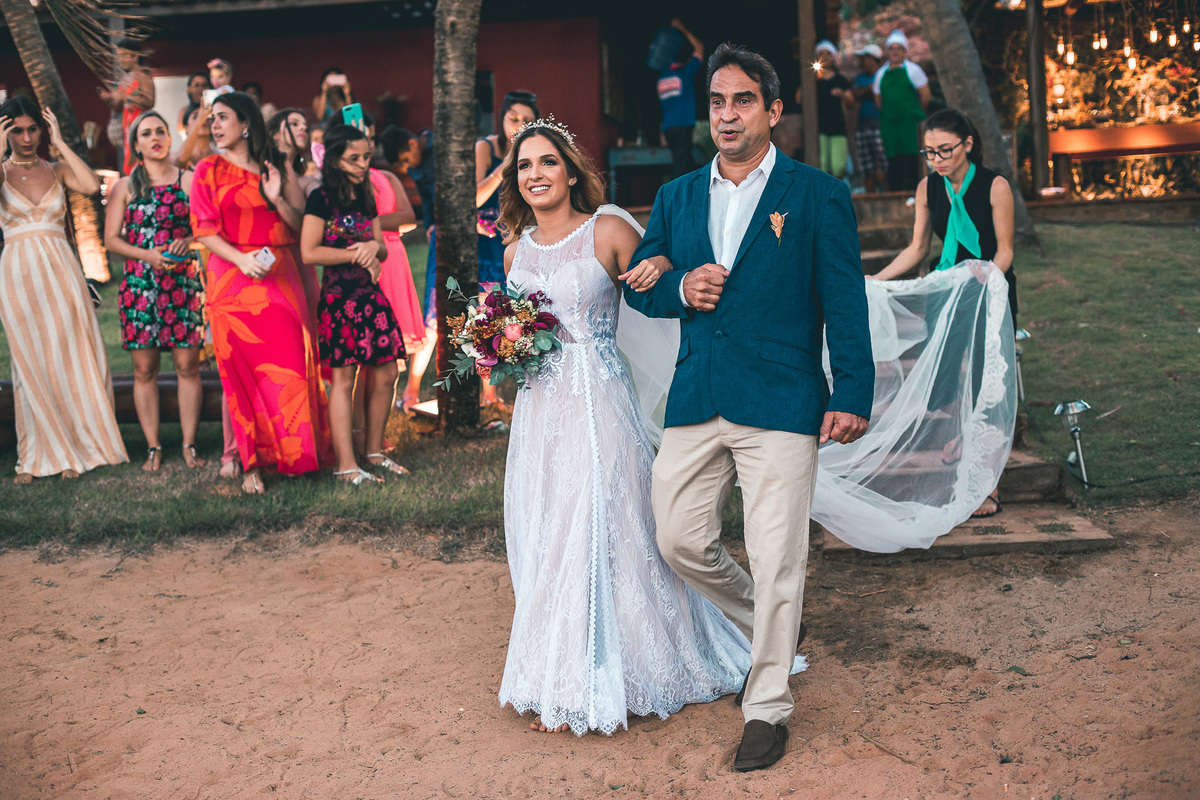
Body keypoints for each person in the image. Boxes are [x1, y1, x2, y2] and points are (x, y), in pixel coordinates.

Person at [622, 44, 873, 771]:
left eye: (741, 101)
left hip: (783, 399)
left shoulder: (817, 194)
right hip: (698, 394)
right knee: (678, 537)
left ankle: (766, 705)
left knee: (776, 558)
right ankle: (771, 630)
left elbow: (844, 302)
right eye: (716, 103)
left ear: (772, 109)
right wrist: (677, 289)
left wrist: (851, 389)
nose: (726, 116)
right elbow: (642, 283)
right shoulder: (674, 197)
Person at [496, 117, 787, 738]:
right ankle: (563, 669)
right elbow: (516, 326)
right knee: (551, 523)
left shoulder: (607, 228)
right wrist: (500, 348)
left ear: (570, 171)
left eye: (547, 162)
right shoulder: (514, 252)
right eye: (524, 166)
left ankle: (639, 663)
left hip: (599, 403)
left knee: (609, 517)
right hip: (539, 408)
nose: (535, 176)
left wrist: (679, 284)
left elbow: (657, 291)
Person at [868, 108, 1017, 520]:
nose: (937, 160)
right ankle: (961, 439)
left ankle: (989, 485)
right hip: (946, 293)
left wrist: (986, 276)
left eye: (945, 150)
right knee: (946, 378)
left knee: (986, 382)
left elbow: (1004, 249)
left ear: (968, 144)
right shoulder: (927, 187)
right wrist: (879, 279)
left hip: (989, 289)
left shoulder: (995, 185)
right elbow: (918, 249)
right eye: (929, 152)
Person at [190, 91, 331, 495]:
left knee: (288, 367)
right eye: (212, 119)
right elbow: (203, 230)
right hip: (231, 278)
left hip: (281, 274)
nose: (215, 125)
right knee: (242, 374)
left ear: (246, 123)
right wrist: (239, 260)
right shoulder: (207, 169)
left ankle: (296, 456)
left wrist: (274, 197)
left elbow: (299, 223)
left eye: (222, 117)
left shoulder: (274, 165)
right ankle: (251, 461)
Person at [0, 98, 128, 482]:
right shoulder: (3, 172)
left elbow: (90, 185)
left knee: (71, 356)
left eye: (32, 129)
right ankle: (38, 452)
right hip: (18, 273)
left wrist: (60, 141)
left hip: (61, 269)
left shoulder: (56, 169)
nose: (26, 138)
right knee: (30, 361)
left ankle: (79, 448)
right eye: (17, 130)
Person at [300, 125, 408, 483]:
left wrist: (370, 249)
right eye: (354, 158)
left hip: (370, 295)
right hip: (339, 298)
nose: (363, 164)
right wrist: (354, 254)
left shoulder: (364, 193)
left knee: (387, 371)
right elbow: (309, 250)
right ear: (333, 158)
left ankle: (374, 452)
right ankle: (346, 465)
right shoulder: (320, 197)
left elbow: (378, 243)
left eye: (366, 156)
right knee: (344, 379)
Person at [104, 110, 206, 472]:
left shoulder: (189, 180)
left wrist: (188, 241)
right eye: (146, 133)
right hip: (140, 286)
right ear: (136, 144)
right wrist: (146, 254)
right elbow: (111, 239)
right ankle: (153, 447)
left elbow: (208, 230)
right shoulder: (125, 186)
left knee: (187, 365)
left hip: (182, 284)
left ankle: (190, 443)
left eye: (160, 131)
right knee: (144, 369)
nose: (155, 138)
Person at [327, 107, 423, 440]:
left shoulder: (386, 177)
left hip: (392, 259)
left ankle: (374, 429)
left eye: (366, 128)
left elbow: (408, 214)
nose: (362, 132)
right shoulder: (334, 187)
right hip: (358, 265)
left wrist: (371, 223)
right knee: (361, 353)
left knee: (386, 354)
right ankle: (356, 427)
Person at [475, 90, 538, 408]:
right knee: (488, 314)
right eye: (513, 118)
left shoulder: (536, 150)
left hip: (518, 238)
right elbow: (473, 198)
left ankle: (521, 380)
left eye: (527, 120)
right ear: (501, 119)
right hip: (485, 241)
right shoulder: (486, 147)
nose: (519, 125)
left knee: (518, 314)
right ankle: (489, 393)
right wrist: (507, 163)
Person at [382, 126, 437, 412]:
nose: (407, 167)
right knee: (434, 313)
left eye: (406, 159)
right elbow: (427, 199)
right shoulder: (416, 168)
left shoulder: (439, 150)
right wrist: (430, 224)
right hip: (438, 228)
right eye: (401, 164)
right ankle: (412, 390)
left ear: (414, 144)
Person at [873, 30, 930, 192]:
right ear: (887, 51)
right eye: (892, 48)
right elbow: (878, 100)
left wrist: (911, 112)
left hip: (910, 123)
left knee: (913, 159)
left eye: (899, 48)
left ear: (904, 51)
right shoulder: (880, 74)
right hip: (891, 125)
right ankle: (895, 193)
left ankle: (916, 192)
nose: (895, 52)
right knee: (893, 160)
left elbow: (925, 95)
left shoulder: (914, 71)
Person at [655, 18, 704, 178]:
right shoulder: (684, 73)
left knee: (687, 163)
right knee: (681, 168)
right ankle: (675, 200)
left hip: (669, 129)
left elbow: (662, 109)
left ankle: (692, 196)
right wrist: (683, 28)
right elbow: (700, 47)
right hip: (683, 127)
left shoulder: (660, 79)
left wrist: (662, 134)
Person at [100, 40, 155, 175]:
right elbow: (119, 108)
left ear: (135, 56)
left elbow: (150, 102)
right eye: (119, 56)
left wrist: (125, 97)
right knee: (130, 162)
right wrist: (108, 100)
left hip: (141, 125)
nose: (121, 59)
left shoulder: (144, 76)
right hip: (127, 126)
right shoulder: (125, 79)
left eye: (124, 55)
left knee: (142, 160)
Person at [850, 44, 887, 193]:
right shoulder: (860, 78)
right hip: (862, 125)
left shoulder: (884, 75)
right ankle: (870, 197)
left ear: (872, 59)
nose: (861, 62)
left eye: (864, 59)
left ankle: (887, 195)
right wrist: (869, 89)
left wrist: (871, 89)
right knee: (867, 166)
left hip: (879, 123)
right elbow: (855, 94)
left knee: (884, 164)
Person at [812, 40, 851, 179]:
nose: (824, 56)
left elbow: (851, 102)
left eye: (827, 53)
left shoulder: (840, 79)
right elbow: (799, 99)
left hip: (837, 126)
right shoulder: (811, 80)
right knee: (821, 165)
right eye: (821, 53)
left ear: (833, 57)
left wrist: (842, 94)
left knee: (838, 166)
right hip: (818, 128)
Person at [174, 101, 215, 170]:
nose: (203, 120)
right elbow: (179, 163)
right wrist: (198, 123)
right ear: (186, 127)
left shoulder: (221, 154)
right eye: (196, 117)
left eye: (207, 117)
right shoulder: (181, 156)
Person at [176, 71, 210, 139]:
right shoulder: (184, 111)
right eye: (197, 85)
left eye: (204, 85)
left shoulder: (215, 108)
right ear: (189, 88)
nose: (201, 88)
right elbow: (184, 136)